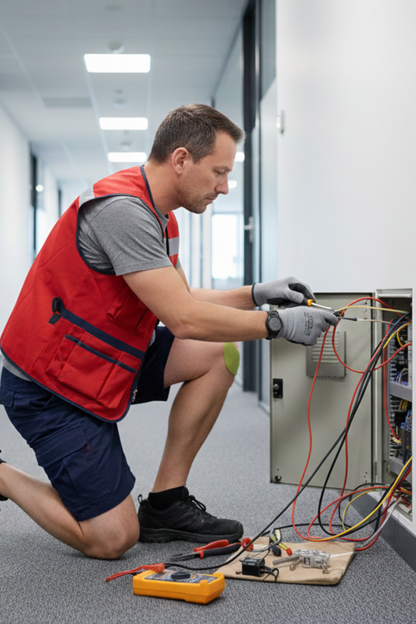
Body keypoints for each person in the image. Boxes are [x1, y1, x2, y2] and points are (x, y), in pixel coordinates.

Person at [0, 104, 337, 559]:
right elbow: (183, 319)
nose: (224, 186)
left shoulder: (163, 217)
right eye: (218, 172)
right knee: (113, 539)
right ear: (181, 160)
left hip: (102, 358)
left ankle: (165, 502)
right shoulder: (122, 211)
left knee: (218, 354)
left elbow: (180, 298)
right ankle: (3, 475)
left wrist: (257, 293)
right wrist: (276, 325)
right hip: (48, 386)